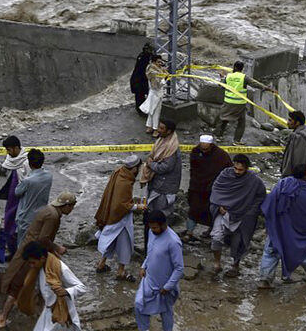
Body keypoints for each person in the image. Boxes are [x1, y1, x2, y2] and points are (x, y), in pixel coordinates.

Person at [0, 192, 77, 329]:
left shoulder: (49, 210)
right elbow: (43, 239)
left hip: (32, 250)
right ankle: (2, 317)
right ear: (66, 205)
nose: (72, 210)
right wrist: (57, 248)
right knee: (19, 285)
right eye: (72, 207)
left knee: (36, 284)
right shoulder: (53, 216)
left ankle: (37, 312)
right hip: (33, 254)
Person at [17, 241, 86, 331]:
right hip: (49, 312)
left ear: (42, 258)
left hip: (62, 316)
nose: (31, 266)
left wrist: (66, 292)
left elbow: (82, 288)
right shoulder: (42, 266)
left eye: (33, 262)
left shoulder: (60, 268)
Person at [130, 210, 184, 331]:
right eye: (151, 227)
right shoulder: (153, 233)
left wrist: (168, 287)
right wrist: (144, 265)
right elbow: (151, 252)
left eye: (155, 227)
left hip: (165, 285)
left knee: (165, 312)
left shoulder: (173, 242)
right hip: (149, 279)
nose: (152, 230)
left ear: (164, 224)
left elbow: (179, 268)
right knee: (139, 305)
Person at [258, 164, 306, 289]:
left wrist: (271, 219)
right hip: (296, 231)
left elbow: (270, 201)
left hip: (277, 227)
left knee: (271, 250)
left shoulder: (282, 184)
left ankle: (265, 280)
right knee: (302, 250)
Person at [208, 155, 267, 277]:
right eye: (235, 168)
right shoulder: (225, 175)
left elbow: (261, 196)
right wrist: (219, 206)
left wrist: (251, 211)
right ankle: (217, 263)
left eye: (240, 170)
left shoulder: (253, 180)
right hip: (223, 212)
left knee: (238, 242)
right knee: (216, 236)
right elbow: (216, 189)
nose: (237, 172)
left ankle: (235, 266)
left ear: (246, 168)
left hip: (242, 216)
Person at [95, 155, 143, 280]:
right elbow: (122, 205)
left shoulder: (119, 172)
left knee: (110, 239)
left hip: (110, 215)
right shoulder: (125, 183)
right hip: (121, 218)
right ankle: (121, 271)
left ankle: (102, 263)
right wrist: (137, 207)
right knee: (125, 243)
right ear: (134, 169)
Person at [139, 119, 181, 252]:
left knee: (159, 217)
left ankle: (158, 248)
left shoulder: (171, 148)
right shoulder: (162, 142)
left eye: (162, 128)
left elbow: (166, 167)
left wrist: (150, 164)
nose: (159, 130)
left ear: (169, 131)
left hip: (163, 189)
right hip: (156, 185)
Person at [0, 136, 29, 258]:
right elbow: (3, 170)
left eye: (9, 150)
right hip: (12, 198)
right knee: (9, 223)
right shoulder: (11, 159)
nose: (8, 153)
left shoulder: (27, 161)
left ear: (16, 148)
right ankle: (13, 250)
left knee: (22, 225)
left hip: (24, 198)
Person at [183, 134, 232, 242]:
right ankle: (189, 232)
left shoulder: (221, 155)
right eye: (202, 148)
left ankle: (211, 231)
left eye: (206, 148)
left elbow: (228, 171)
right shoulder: (196, 152)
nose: (204, 151)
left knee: (213, 212)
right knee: (194, 209)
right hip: (197, 187)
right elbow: (193, 169)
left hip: (213, 190)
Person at [214, 61, 270, 144]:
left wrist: (222, 78)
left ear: (234, 67)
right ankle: (236, 141)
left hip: (228, 102)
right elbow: (255, 84)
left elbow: (221, 86)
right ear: (242, 68)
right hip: (239, 104)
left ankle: (218, 137)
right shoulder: (244, 77)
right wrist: (265, 87)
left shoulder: (228, 76)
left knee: (223, 120)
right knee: (241, 122)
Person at [15, 149, 53, 246]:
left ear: (29, 163)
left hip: (26, 217)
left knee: (22, 245)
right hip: (41, 214)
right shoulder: (49, 176)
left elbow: (17, 192)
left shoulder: (28, 180)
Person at [139, 55, 167, 135]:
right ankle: (155, 129)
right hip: (156, 94)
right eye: (158, 62)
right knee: (156, 112)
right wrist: (164, 79)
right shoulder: (154, 72)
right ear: (154, 62)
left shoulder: (151, 69)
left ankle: (149, 126)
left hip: (153, 93)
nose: (160, 63)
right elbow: (157, 86)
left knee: (152, 111)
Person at [281, 110, 306, 178]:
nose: (287, 122)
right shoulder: (305, 132)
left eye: (290, 120)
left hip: (296, 175)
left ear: (297, 122)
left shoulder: (299, 137)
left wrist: (286, 174)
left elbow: (297, 160)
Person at [130, 43, 155, 114]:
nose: (151, 51)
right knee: (140, 96)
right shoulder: (143, 57)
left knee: (142, 96)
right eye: (150, 50)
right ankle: (141, 111)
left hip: (140, 80)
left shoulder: (143, 56)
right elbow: (145, 68)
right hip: (138, 80)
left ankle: (143, 110)